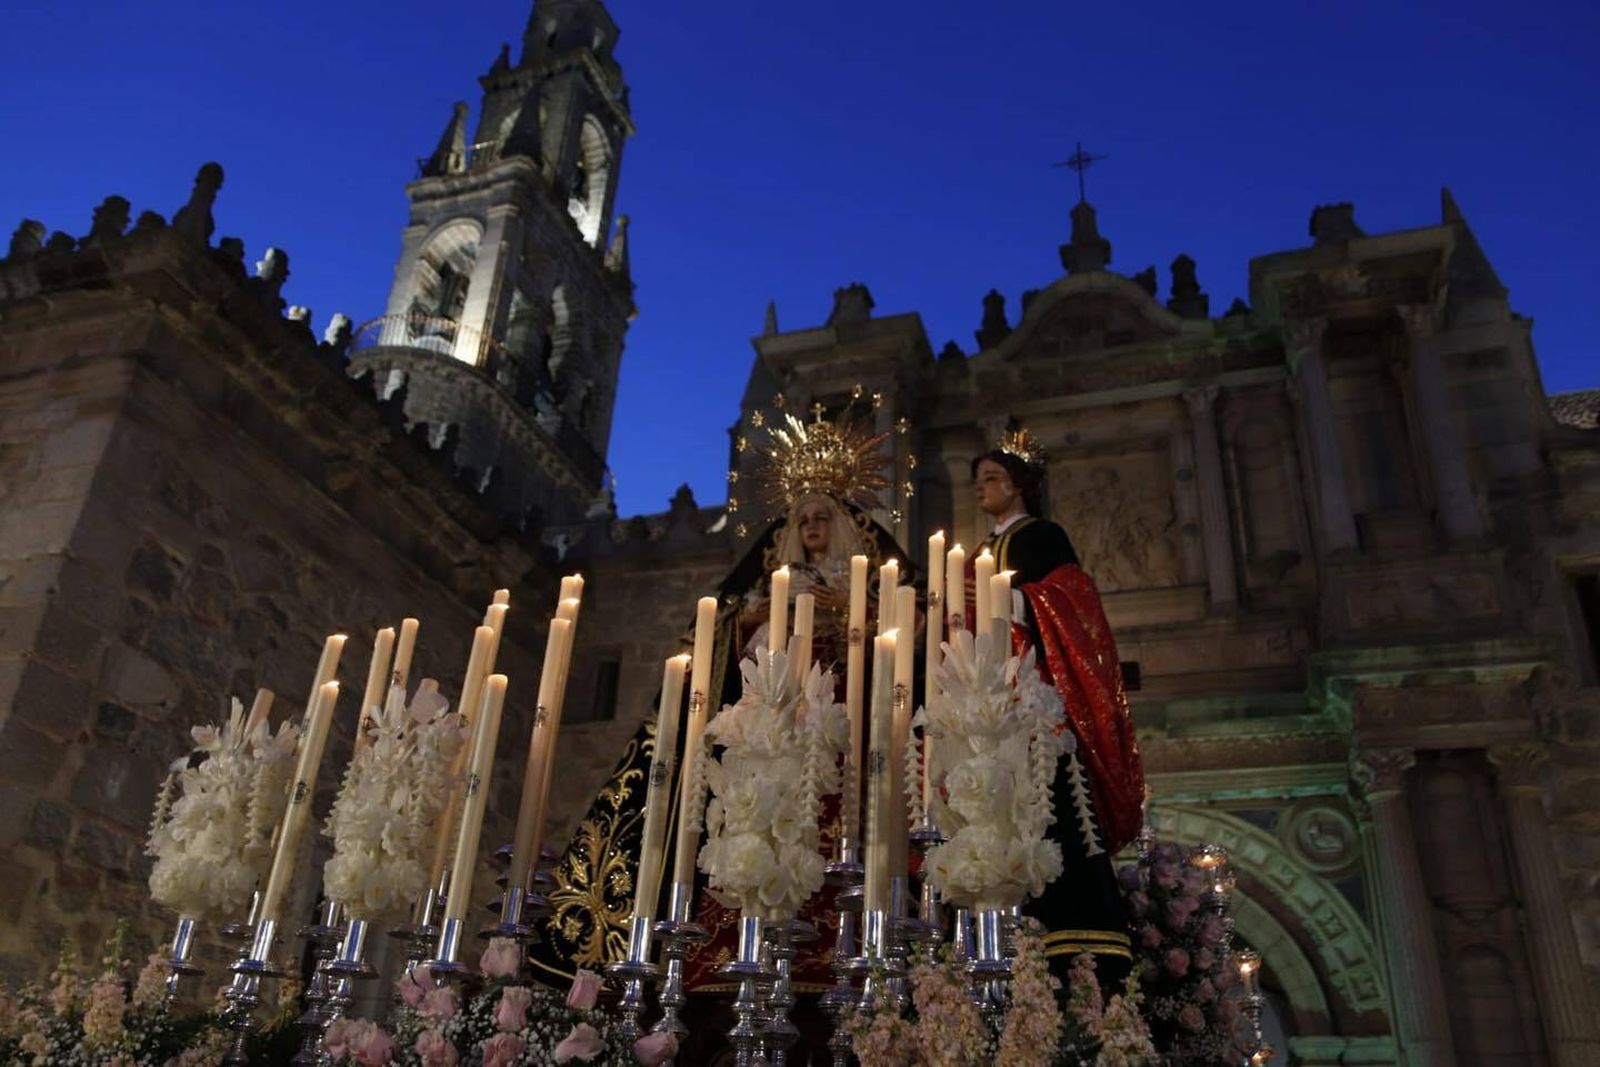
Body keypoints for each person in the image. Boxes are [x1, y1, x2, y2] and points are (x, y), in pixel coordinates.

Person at [970, 433, 1144, 988]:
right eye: (977, 480)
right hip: (986, 693)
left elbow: (1072, 597)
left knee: (1059, 801)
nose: (982, 487)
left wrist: (1015, 602)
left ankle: (1075, 933)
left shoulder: (1042, 536)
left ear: (1020, 485)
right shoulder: (976, 549)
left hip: (1036, 691)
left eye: (992, 477)